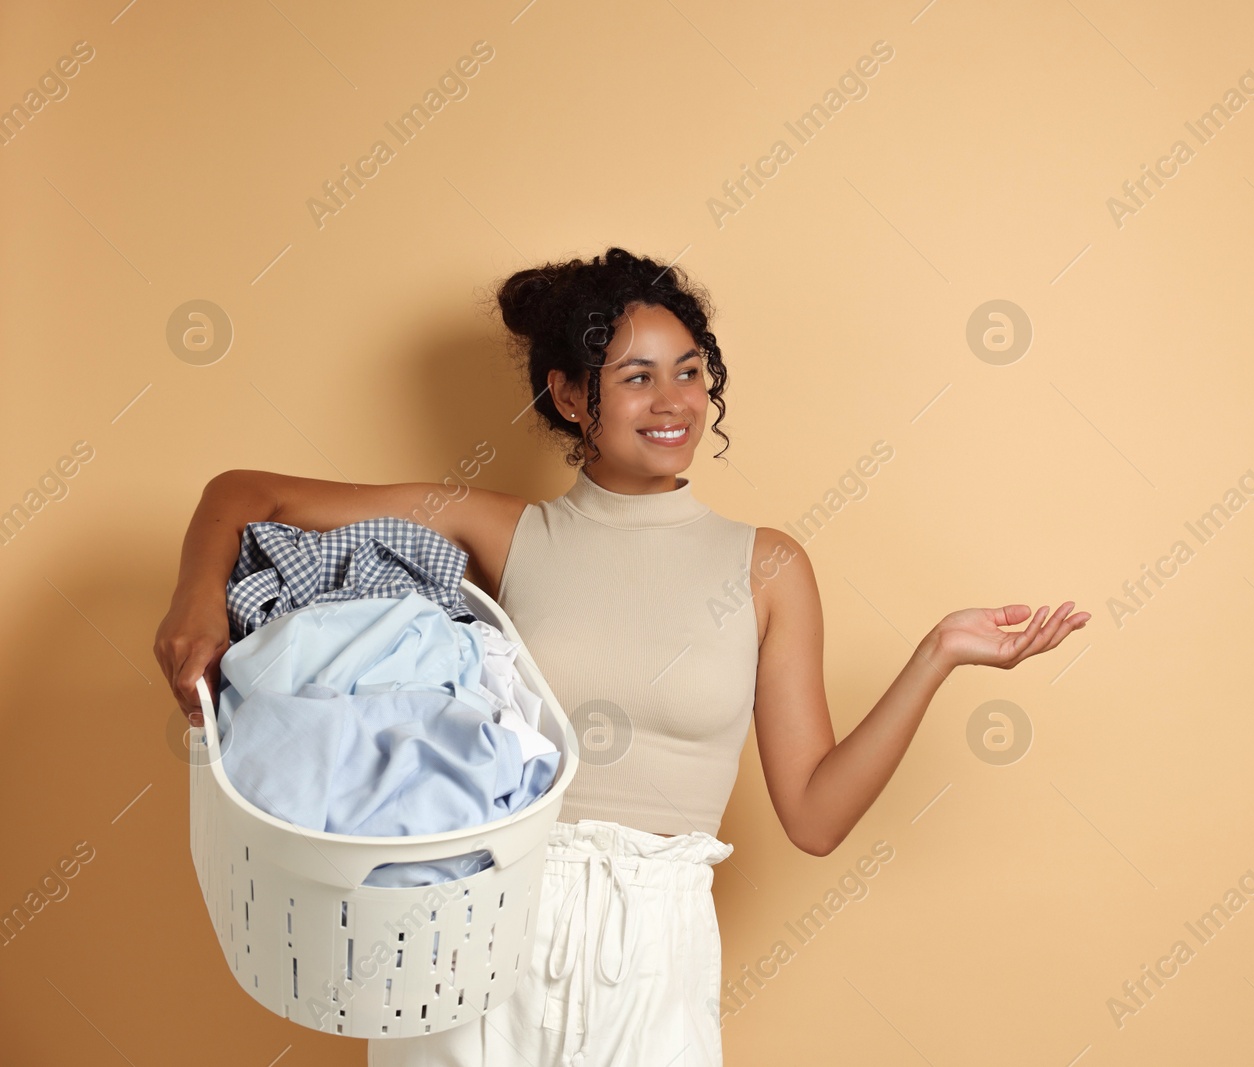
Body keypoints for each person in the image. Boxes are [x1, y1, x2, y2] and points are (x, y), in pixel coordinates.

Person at [153, 247, 1091, 1066]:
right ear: (571, 394)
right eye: (636, 375)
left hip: (655, 942)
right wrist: (197, 612)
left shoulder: (766, 566)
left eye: (688, 371)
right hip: (482, 919)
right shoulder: (505, 532)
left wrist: (937, 653)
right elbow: (245, 493)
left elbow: (812, 813)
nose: (673, 400)